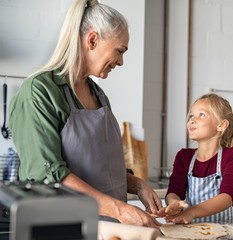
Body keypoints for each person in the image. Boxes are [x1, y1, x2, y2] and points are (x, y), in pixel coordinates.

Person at [8, 0, 163, 227]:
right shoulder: (40, 91)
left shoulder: (98, 94)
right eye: (119, 51)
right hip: (61, 233)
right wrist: (120, 209)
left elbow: (99, 168)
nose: (121, 61)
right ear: (92, 40)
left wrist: (138, 184)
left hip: (107, 232)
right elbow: (47, 176)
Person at [159, 93, 233, 224]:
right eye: (191, 115)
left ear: (221, 125)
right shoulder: (184, 157)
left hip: (224, 236)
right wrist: (174, 204)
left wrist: (191, 212)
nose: (192, 120)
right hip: (190, 233)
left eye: (202, 115)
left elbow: (227, 198)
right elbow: (174, 190)